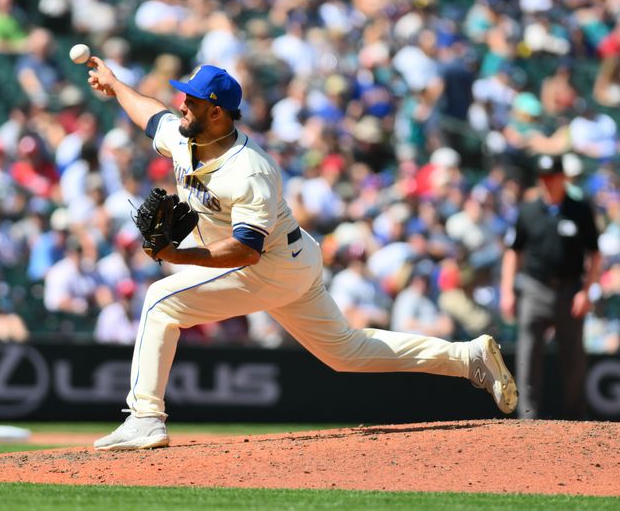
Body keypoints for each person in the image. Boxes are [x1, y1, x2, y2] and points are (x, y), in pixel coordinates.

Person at [86, 58, 518, 452]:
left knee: (161, 302)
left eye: (191, 100)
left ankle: (146, 418)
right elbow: (151, 114)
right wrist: (116, 83)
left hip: (267, 263)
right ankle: (466, 358)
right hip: (293, 258)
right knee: (346, 352)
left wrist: (179, 256)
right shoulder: (185, 137)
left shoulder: (249, 169)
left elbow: (245, 250)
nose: (182, 105)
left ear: (216, 112)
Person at [500, 155, 601, 420]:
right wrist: (507, 290)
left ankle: (577, 417)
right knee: (528, 354)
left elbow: (595, 254)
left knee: (574, 357)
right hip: (535, 288)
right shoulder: (529, 210)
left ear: (562, 177)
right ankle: (527, 417)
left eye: (552, 176)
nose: (547, 182)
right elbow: (513, 252)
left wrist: (586, 291)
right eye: (543, 177)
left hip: (569, 290)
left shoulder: (579, 210)